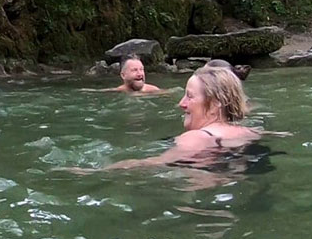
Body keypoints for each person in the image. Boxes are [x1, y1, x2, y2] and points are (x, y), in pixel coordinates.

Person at [103, 65, 260, 169]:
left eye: (189, 96)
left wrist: (92, 172)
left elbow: (150, 165)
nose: (181, 103)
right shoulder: (251, 132)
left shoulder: (197, 137)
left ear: (214, 104)